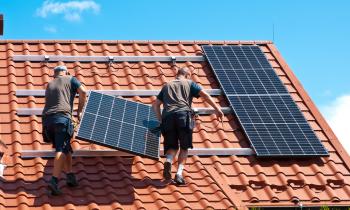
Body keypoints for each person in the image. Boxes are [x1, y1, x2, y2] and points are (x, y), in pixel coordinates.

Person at [152, 67, 223, 185]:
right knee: (184, 147)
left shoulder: (166, 86)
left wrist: (161, 121)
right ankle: (179, 174)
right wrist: (217, 109)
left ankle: (169, 160)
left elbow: (155, 105)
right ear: (187, 75)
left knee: (172, 146)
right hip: (183, 116)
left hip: (168, 118)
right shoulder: (190, 83)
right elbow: (205, 95)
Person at [42, 65, 87, 195]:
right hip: (61, 119)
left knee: (66, 146)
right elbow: (83, 92)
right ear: (66, 72)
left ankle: (70, 175)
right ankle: (54, 181)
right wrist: (79, 112)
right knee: (60, 149)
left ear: (54, 75)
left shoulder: (49, 84)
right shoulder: (71, 79)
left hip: (47, 122)